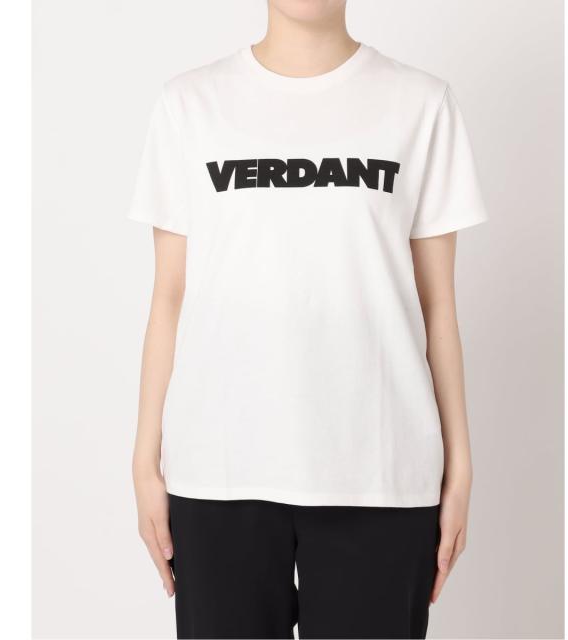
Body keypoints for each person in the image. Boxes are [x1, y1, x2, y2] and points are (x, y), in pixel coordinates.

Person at [129, 1, 487, 638]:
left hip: (380, 473)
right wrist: (144, 462)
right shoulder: (189, 104)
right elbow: (169, 297)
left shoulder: (421, 104)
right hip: (219, 471)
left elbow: (438, 305)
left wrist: (459, 465)